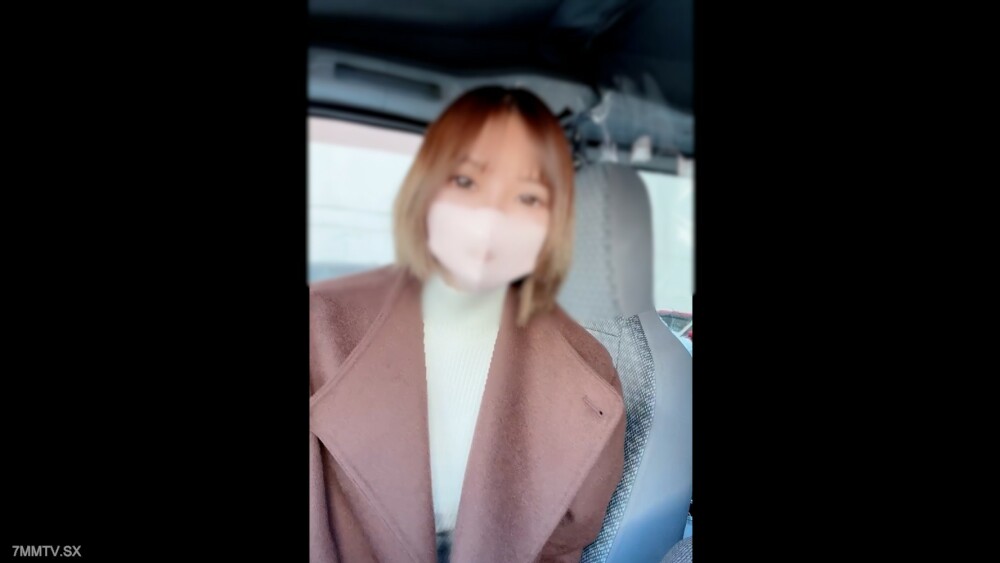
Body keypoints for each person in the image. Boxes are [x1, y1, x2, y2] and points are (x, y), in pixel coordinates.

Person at [309, 86, 625, 563]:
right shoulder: (319, 324)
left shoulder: (592, 373)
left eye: (527, 196)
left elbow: (563, 544)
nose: (491, 219)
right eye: (466, 182)